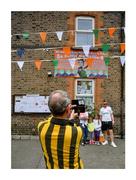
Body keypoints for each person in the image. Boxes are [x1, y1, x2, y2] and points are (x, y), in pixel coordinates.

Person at [38, 90, 84, 169]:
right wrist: (71, 117)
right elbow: (71, 126)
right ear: (68, 109)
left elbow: (52, 118)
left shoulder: (41, 126)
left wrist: (67, 111)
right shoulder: (76, 131)